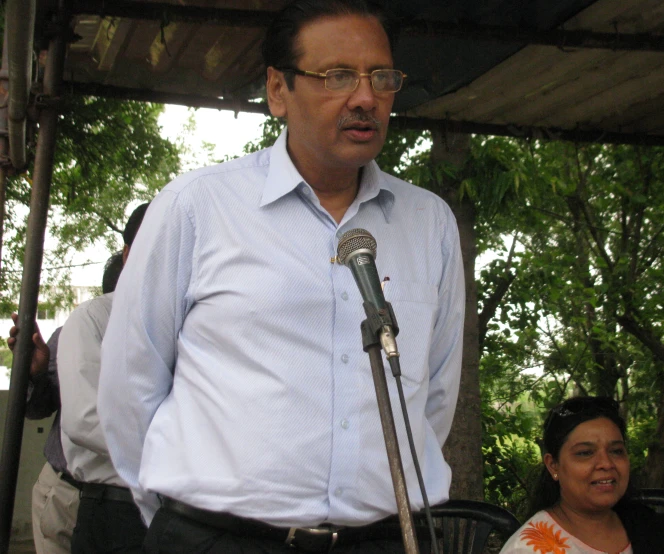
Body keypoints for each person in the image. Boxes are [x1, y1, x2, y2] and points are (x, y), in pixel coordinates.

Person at [97, 1, 465, 552]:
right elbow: (131, 385)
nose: (365, 98)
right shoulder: (197, 208)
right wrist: (185, 526)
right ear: (277, 90)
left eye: (380, 77)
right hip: (220, 539)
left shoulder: (428, 221)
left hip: (381, 540)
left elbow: (434, 394)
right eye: (337, 76)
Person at [8, 251, 125, 554]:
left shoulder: (166, 335)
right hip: (68, 492)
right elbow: (37, 409)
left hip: (126, 503)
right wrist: (34, 375)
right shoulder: (79, 328)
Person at [56, 205, 149, 554]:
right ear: (128, 255)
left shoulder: (196, 325)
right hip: (116, 510)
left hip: (184, 517)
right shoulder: (93, 319)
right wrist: (182, 453)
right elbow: (85, 419)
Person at [500, 396, 664, 554]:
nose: (606, 463)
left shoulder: (650, 529)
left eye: (616, 451)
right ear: (553, 465)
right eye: (585, 453)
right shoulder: (528, 548)